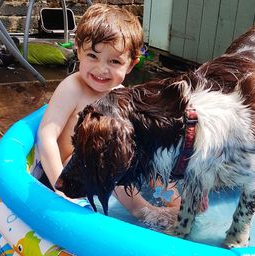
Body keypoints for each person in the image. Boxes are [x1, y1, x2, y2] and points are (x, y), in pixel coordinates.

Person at [36, 3, 180, 222]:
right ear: (78, 49)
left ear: (131, 64)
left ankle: (170, 199)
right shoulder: (72, 88)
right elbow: (46, 136)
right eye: (93, 56)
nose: (102, 69)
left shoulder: (121, 97)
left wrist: (162, 180)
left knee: (140, 158)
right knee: (112, 161)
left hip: (107, 173)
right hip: (71, 172)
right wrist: (61, 189)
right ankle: (140, 209)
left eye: (114, 61)